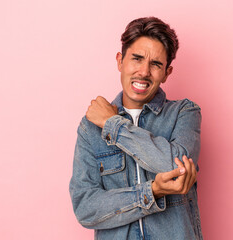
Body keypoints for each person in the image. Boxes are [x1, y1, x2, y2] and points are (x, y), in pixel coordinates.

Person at [69, 16, 203, 240]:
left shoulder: (184, 112)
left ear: (167, 73)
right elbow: (86, 207)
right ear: (120, 61)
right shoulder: (90, 127)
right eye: (137, 59)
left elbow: (176, 168)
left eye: (156, 64)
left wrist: (113, 125)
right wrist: (151, 192)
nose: (143, 72)